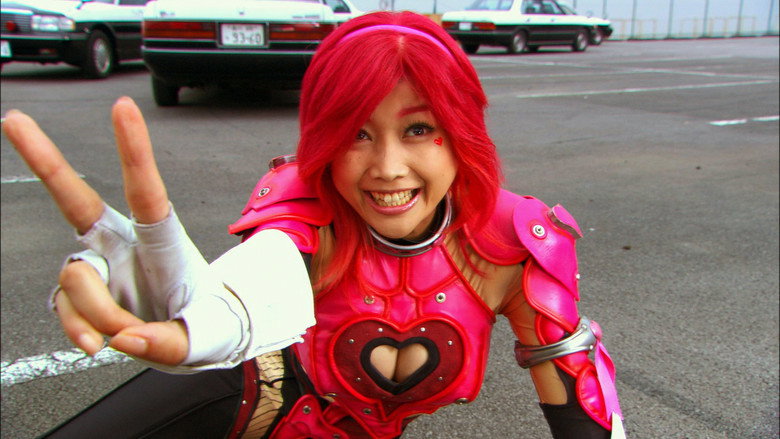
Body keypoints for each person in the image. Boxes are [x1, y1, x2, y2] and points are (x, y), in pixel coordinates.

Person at [2, 11, 624, 439]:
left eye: (418, 129)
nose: (387, 168)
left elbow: (584, 410)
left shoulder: (514, 241)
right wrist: (202, 311)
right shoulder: (307, 210)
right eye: (356, 133)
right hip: (240, 397)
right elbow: (263, 269)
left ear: (461, 134)